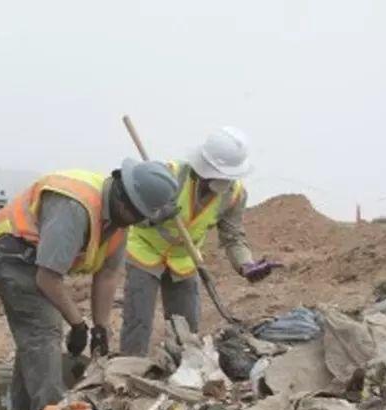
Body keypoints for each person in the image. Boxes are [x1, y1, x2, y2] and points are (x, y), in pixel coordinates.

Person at [0, 160, 180, 410]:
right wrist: (77, 324)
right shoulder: (75, 209)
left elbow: (107, 274)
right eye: (137, 215)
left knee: (35, 339)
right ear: (123, 200)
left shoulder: (119, 222)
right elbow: (48, 278)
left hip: (35, 260)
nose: (137, 222)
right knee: (45, 330)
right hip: (9, 252)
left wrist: (100, 327)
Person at [120, 126, 281, 355]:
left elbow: (233, 236)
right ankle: (129, 375)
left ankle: (182, 375)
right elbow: (133, 214)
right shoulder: (169, 176)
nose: (219, 183)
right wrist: (154, 215)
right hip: (146, 251)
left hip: (185, 259)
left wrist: (246, 264)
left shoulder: (234, 195)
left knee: (186, 330)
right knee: (138, 321)